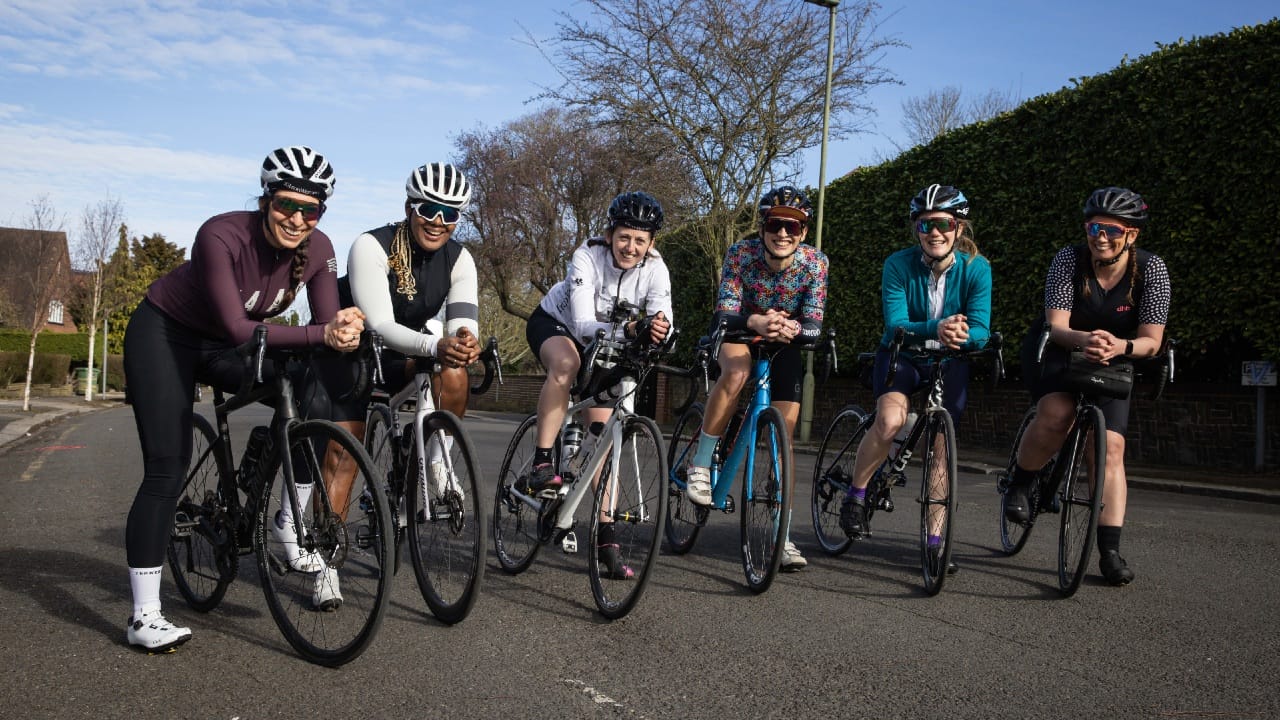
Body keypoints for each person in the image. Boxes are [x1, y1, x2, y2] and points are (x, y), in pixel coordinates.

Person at [122, 146, 366, 652]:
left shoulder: (319, 248)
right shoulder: (221, 234)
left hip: (227, 346)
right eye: (285, 205)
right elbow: (238, 326)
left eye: (311, 209)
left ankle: (285, 524)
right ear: (265, 200)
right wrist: (322, 335)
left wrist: (344, 328)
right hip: (166, 336)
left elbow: (323, 329)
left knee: (310, 383)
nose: (297, 218)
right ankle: (144, 615)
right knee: (168, 466)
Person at [1004, 186, 1169, 586]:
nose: (1100, 236)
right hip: (1063, 348)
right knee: (1057, 413)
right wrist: (1086, 339)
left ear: (1132, 235)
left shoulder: (1152, 270)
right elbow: (1057, 326)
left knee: (1111, 447)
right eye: (1094, 227)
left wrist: (1121, 346)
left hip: (1118, 356)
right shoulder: (1069, 259)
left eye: (1111, 230)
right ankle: (1020, 484)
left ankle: (1109, 551)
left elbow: (1152, 340)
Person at [837, 184, 992, 574]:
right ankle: (856, 495)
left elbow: (982, 329)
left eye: (943, 223)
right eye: (925, 225)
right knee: (889, 421)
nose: (934, 232)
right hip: (902, 354)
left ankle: (936, 542)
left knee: (942, 446)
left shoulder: (977, 268)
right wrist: (937, 327)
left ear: (958, 227)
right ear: (916, 230)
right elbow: (896, 326)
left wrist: (963, 336)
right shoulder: (897, 264)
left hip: (949, 359)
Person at [323, 162, 482, 531]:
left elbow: (460, 326)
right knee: (342, 452)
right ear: (410, 207)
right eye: (429, 209)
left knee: (454, 372)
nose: (438, 221)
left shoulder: (460, 259)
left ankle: (436, 464)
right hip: (351, 353)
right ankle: (325, 558)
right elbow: (379, 324)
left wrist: (464, 343)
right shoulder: (371, 245)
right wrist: (437, 344)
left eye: (450, 214)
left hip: (403, 353)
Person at [524, 191, 672, 578]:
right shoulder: (587, 256)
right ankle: (542, 461)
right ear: (610, 235)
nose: (631, 247)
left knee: (604, 439)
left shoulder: (656, 269)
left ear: (651, 243)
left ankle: (606, 539)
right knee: (567, 363)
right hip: (561, 325)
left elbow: (664, 319)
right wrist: (633, 328)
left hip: (614, 340)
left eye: (640, 240)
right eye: (624, 237)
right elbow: (586, 324)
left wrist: (659, 331)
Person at [683, 185, 828, 572]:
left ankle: (781, 532)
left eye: (793, 228)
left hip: (784, 341)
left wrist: (792, 329)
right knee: (737, 372)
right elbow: (725, 311)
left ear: (803, 232)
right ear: (763, 227)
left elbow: (815, 322)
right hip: (739, 332)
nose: (783, 234)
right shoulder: (740, 254)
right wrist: (756, 320)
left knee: (786, 435)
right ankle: (699, 463)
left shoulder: (815, 264)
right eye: (776, 225)